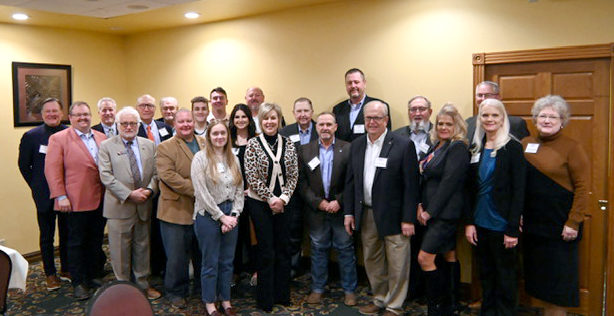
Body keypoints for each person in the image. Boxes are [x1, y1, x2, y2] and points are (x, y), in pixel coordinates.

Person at [344, 101, 420, 316]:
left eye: (377, 118)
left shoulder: (403, 144)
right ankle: (379, 298)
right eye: (368, 118)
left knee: (397, 263)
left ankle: (394, 306)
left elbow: (411, 186)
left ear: (386, 120)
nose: (372, 122)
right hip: (366, 213)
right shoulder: (357, 145)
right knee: (372, 260)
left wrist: (408, 219)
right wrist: (349, 213)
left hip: (395, 216)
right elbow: (351, 182)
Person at [522, 95, 589, 316]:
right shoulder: (525, 144)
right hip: (533, 228)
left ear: (563, 121)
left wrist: (574, 221)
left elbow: (582, 187)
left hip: (561, 227)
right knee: (539, 279)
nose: (547, 120)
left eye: (553, 116)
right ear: (535, 119)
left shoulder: (572, 147)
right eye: (542, 116)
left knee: (558, 283)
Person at [465, 98, 526, 316]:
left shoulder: (512, 148)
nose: (489, 119)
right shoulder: (476, 147)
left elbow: (519, 191)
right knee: (486, 273)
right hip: (480, 222)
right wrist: (469, 223)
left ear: (502, 119)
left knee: (506, 275)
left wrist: (511, 229)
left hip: (502, 223)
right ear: (479, 119)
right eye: (485, 115)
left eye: (494, 115)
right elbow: (469, 189)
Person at [44, 101, 107, 300]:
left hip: (101, 199)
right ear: (70, 118)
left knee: (95, 240)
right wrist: (60, 196)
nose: (83, 118)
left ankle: (93, 275)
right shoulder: (58, 139)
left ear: (91, 116)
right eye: (78, 115)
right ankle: (79, 282)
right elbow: (52, 170)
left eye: (86, 114)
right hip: (74, 200)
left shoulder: (102, 137)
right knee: (76, 243)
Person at [98, 106, 161, 300]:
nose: (128, 127)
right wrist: (129, 194)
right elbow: (106, 176)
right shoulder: (107, 146)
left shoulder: (149, 145)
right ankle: (122, 289)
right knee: (119, 252)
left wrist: (150, 190)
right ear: (118, 125)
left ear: (138, 124)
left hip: (144, 204)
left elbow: (157, 173)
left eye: (132, 123)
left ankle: (142, 285)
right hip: (119, 207)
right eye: (124, 123)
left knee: (142, 248)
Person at [244, 102, 299, 312]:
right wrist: (271, 199)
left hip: (285, 204)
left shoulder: (289, 143)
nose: (269, 122)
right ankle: (265, 298)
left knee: (284, 249)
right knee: (266, 251)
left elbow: (294, 174)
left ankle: (282, 294)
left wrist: (283, 199)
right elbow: (252, 177)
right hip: (261, 204)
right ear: (261, 120)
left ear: (279, 120)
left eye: (273, 118)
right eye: (265, 118)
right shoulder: (252, 144)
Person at [299, 112, 357, 306]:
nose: (325, 127)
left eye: (329, 124)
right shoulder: (305, 150)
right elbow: (301, 183)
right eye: (321, 124)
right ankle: (317, 289)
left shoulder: (348, 149)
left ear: (335, 127)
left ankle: (349, 290)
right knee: (318, 249)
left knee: (345, 249)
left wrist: (338, 201)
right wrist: (319, 203)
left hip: (340, 209)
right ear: (317, 127)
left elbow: (352, 181)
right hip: (316, 210)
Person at [416, 104, 469, 315]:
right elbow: (426, 178)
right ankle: (451, 303)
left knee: (425, 258)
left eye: (449, 124)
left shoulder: (457, 148)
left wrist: (430, 212)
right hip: (431, 211)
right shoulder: (436, 145)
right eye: (440, 123)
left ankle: (436, 308)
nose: (444, 127)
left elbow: (449, 183)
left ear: (457, 126)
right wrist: (420, 205)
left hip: (444, 215)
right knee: (449, 255)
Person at [192, 120, 244, 316]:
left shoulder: (233, 158)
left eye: (223, 133)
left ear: (227, 136)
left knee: (227, 261)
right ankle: (209, 302)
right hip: (208, 215)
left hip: (231, 214)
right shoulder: (200, 158)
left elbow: (239, 188)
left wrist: (234, 214)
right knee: (210, 261)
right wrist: (221, 217)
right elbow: (201, 192)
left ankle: (226, 299)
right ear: (209, 136)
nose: (219, 137)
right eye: (215, 134)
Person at [18, 98, 69, 291]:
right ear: (42, 114)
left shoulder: (69, 132)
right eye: (48, 111)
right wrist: (36, 186)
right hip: (44, 196)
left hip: (67, 194)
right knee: (47, 236)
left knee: (66, 233)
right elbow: (24, 166)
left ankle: (66, 269)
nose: (52, 114)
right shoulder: (32, 136)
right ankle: (50, 274)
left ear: (62, 113)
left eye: (55, 111)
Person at [156, 109, 205, 309]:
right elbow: (168, 176)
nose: (186, 124)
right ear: (174, 124)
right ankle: (176, 291)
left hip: (202, 210)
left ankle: (203, 289)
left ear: (194, 122)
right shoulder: (165, 147)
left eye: (189, 121)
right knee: (177, 256)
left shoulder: (204, 142)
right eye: (181, 121)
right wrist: (200, 190)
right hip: (175, 210)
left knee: (201, 253)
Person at [279, 97, 318, 278]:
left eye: (306, 111)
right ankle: (293, 269)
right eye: (299, 111)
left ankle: (317, 272)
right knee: (293, 231)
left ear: (312, 112)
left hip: (316, 190)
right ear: (293, 113)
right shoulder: (285, 132)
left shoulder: (321, 129)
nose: (302, 115)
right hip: (292, 191)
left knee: (317, 233)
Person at [135, 94, 173, 277]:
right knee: (145, 228)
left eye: (150, 105)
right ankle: (148, 266)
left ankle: (162, 263)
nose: (147, 109)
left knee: (161, 227)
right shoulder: (132, 129)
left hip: (165, 183)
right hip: (145, 185)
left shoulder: (164, 128)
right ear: (137, 108)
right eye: (143, 105)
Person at [228, 103, 258, 280]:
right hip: (232, 195)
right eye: (237, 117)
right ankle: (235, 271)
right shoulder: (227, 141)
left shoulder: (256, 140)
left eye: (244, 117)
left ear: (249, 119)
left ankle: (256, 269)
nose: (240, 120)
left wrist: (252, 189)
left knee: (254, 235)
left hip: (253, 195)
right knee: (235, 235)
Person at [332, 68, 390, 142]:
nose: (353, 86)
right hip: (344, 152)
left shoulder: (379, 106)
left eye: (356, 82)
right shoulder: (337, 109)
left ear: (364, 83)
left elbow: (386, 135)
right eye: (349, 83)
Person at [394, 95, 434, 160]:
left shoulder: (439, 135)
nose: (417, 113)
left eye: (422, 109)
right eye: (413, 109)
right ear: (408, 113)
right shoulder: (396, 135)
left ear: (430, 112)